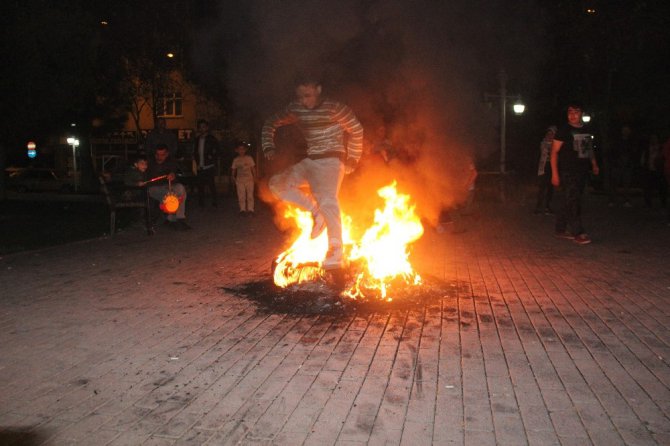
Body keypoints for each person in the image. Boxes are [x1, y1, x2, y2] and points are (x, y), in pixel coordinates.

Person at [261, 75, 364, 270]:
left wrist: (352, 159)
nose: (303, 101)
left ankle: (335, 250)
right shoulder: (295, 108)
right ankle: (316, 212)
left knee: (327, 199)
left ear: (318, 90)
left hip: (331, 161)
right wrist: (268, 147)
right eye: (300, 97)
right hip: (310, 161)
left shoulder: (335, 108)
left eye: (307, 96)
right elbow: (270, 123)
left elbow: (356, 130)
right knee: (277, 184)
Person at [550, 102, 599, 245]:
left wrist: (594, 164)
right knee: (573, 201)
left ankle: (560, 228)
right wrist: (555, 174)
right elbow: (554, 152)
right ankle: (578, 232)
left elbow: (589, 148)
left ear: (581, 113)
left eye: (576, 112)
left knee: (570, 200)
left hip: (582, 170)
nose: (572, 115)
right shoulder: (564, 130)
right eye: (570, 112)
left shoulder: (586, 129)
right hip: (568, 171)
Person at [146, 145, 190, 230]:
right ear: (155, 154)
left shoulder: (171, 162)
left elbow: (175, 175)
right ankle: (174, 219)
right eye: (158, 154)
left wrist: (173, 175)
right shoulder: (150, 163)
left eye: (162, 154)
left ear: (167, 154)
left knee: (181, 189)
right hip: (153, 188)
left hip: (167, 187)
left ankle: (178, 218)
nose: (160, 157)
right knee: (171, 195)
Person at [607, 125, 637, 207]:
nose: (626, 132)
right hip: (617, 164)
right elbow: (612, 151)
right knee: (614, 183)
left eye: (627, 130)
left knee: (626, 184)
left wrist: (630, 161)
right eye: (624, 130)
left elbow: (633, 153)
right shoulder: (617, 141)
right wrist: (615, 161)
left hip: (627, 165)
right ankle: (612, 200)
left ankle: (626, 200)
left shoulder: (631, 142)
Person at [192, 119, 220, 207]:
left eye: (203, 127)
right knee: (200, 186)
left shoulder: (212, 139)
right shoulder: (197, 139)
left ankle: (214, 201)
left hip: (209, 166)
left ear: (207, 127)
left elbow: (218, 151)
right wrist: (196, 162)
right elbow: (196, 151)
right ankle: (201, 202)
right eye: (200, 127)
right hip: (200, 166)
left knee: (211, 185)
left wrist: (212, 157)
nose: (202, 129)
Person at [534, 125, 557, 215]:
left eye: (552, 134)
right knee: (542, 188)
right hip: (543, 167)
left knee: (550, 188)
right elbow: (541, 153)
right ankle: (539, 207)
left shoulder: (556, 144)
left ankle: (547, 206)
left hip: (552, 167)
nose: (550, 135)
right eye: (548, 133)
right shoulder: (543, 143)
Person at [640, 134, 667, 208]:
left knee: (662, 187)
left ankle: (663, 202)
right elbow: (643, 159)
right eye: (652, 139)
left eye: (655, 139)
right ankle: (648, 203)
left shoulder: (661, 148)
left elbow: (665, 157)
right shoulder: (647, 149)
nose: (653, 140)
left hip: (659, 170)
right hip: (649, 170)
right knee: (648, 187)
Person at [231, 142, 256, 215]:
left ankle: (251, 209)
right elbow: (233, 169)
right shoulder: (236, 160)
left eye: (243, 149)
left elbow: (253, 168)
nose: (241, 151)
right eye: (240, 149)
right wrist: (233, 177)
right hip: (240, 180)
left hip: (249, 179)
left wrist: (255, 177)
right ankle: (242, 209)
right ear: (237, 150)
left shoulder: (249, 158)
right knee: (241, 195)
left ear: (245, 150)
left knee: (250, 195)